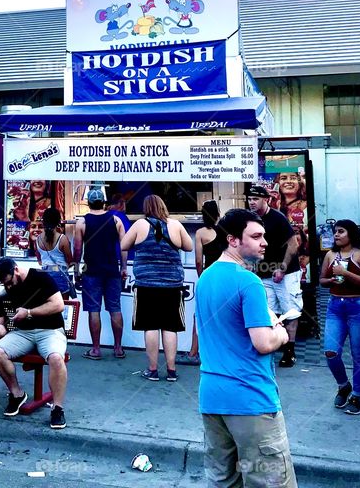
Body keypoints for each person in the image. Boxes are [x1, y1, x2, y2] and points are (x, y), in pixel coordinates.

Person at [196, 208, 296, 488]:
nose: (264, 242)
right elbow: (263, 343)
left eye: (264, 236)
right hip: (250, 400)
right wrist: (281, 334)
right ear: (233, 240)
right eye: (255, 236)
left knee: (223, 481)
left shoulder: (205, 278)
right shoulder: (248, 281)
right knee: (270, 482)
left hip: (212, 398)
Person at [121, 195, 193, 382]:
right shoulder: (175, 225)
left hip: (146, 284)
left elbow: (123, 245)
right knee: (170, 327)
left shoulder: (139, 225)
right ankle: (171, 370)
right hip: (172, 284)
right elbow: (189, 246)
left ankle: (152, 370)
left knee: (150, 326)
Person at [0, 257, 68, 430]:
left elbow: (58, 305)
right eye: (5, 284)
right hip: (23, 333)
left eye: (9, 282)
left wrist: (29, 312)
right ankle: (17, 394)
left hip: (50, 330)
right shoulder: (7, 286)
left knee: (56, 358)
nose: (8, 287)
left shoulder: (41, 277)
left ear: (16, 270)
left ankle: (57, 408)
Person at [318, 219, 360, 416]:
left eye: (341, 231)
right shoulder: (330, 254)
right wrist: (332, 279)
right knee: (330, 351)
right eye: (335, 232)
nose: (336, 235)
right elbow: (322, 281)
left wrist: (345, 273)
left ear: (351, 233)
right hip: (335, 306)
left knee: (358, 353)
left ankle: (356, 396)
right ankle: (343, 385)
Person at [246, 185, 301, 367]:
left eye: (255, 199)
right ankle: (270, 345)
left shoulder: (278, 218)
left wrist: (282, 268)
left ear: (266, 200)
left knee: (290, 311)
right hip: (263, 273)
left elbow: (293, 244)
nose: (251, 202)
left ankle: (290, 351)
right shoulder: (250, 219)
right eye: (250, 199)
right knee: (267, 312)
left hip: (286, 273)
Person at [74, 189, 125, 360]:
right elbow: (123, 247)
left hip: (91, 272)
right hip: (112, 271)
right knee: (115, 308)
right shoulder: (115, 219)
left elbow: (78, 249)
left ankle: (96, 349)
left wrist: (76, 269)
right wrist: (123, 267)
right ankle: (118, 348)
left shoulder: (82, 222)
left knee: (93, 310)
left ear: (88, 203)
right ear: (104, 202)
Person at [180, 200, 226, 367]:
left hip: (209, 276)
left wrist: (202, 278)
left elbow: (199, 261)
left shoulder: (200, 233)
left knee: (199, 315)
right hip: (225, 276)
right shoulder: (226, 231)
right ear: (218, 214)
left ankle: (194, 352)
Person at [34, 207, 75, 298]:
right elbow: (70, 261)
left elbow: (40, 261)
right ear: (58, 221)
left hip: (45, 276)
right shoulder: (62, 239)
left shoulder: (37, 240)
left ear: (43, 221)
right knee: (64, 306)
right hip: (60, 276)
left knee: (48, 307)